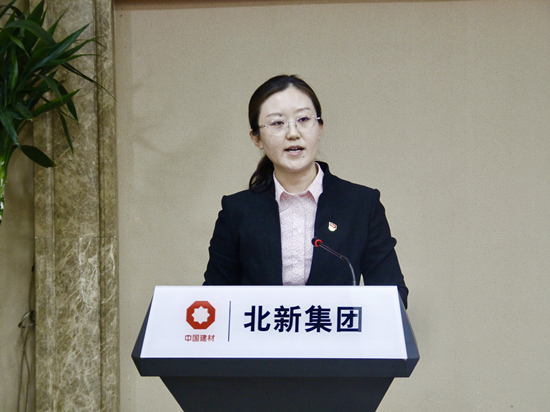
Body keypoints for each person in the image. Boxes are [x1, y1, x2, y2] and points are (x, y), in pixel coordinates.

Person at [203, 75, 408, 307]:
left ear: (319, 128)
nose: (293, 133)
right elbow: (214, 300)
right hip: (263, 330)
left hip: (332, 329)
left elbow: (393, 296)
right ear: (256, 138)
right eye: (277, 123)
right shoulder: (236, 211)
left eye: (303, 119)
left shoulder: (361, 205)